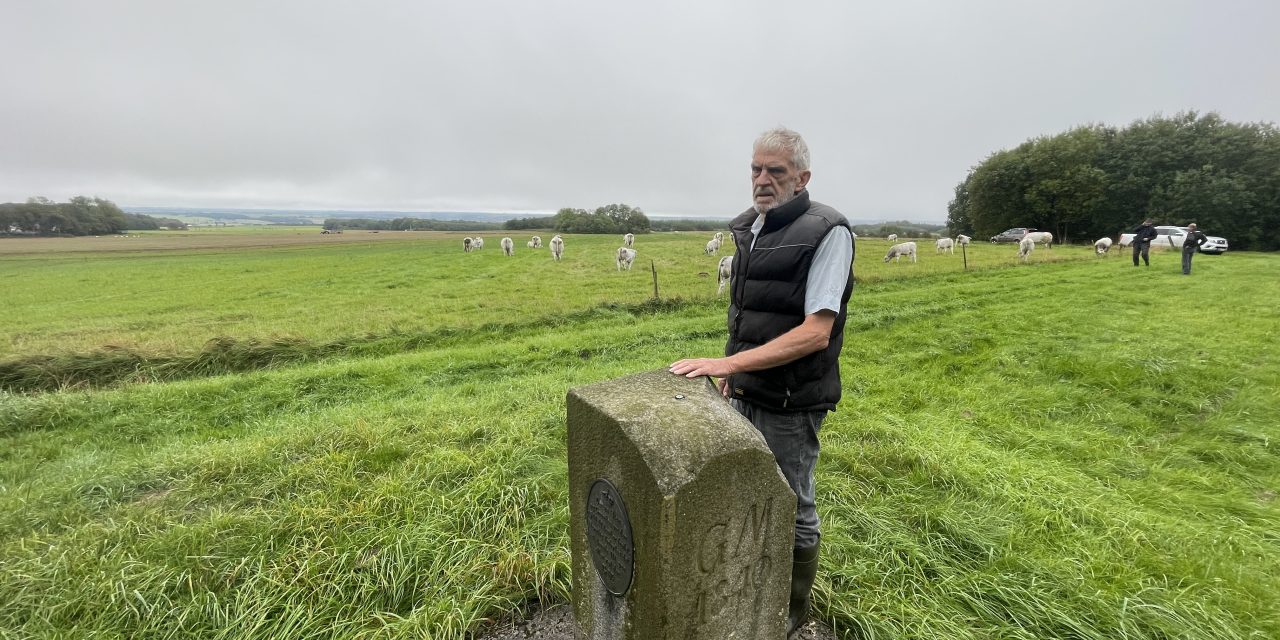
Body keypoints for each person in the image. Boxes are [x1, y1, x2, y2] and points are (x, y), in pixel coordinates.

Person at [669, 127, 854, 637]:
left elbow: (816, 332)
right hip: (749, 386)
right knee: (747, 489)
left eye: (776, 170)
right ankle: (749, 579)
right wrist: (738, 368)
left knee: (794, 501)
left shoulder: (828, 232)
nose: (763, 179)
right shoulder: (751, 227)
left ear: (802, 177)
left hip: (792, 399)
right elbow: (748, 315)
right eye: (756, 168)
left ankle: (793, 611)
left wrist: (726, 366)